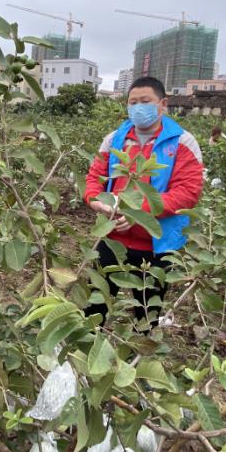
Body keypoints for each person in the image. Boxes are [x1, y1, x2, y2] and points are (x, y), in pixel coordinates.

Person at [84, 76, 204, 325]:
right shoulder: (114, 139)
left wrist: (137, 212)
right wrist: (95, 201)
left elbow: (187, 192)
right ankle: (84, 350)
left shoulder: (182, 142)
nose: (138, 107)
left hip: (156, 243)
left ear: (163, 104)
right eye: (133, 102)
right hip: (112, 237)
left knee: (147, 310)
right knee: (95, 303)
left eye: (145, 101)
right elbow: (94, 178)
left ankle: (140, 355)